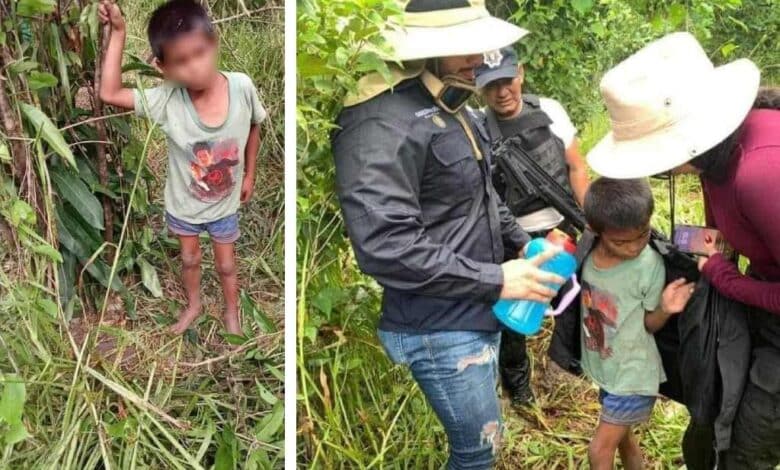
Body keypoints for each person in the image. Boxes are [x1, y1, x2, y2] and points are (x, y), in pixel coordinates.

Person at [331, 1, 565, 467]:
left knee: (484, 444)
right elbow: (385, 246)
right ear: (425, 51)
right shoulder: (380, 121)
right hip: (438, 326)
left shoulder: (449, 103)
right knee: (477, 453)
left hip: (476, 309)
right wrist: (496, 279)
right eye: (462, 48)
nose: (477, 59)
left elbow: (480, 194)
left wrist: (522, 240)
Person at [588, 32, 779, 468]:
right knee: (714, 421)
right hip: (763, 297)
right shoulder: (716, 156)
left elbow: (726, 262)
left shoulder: (762, 172)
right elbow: (720, 228)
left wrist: (723, 276)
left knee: (747, 449)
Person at [98, 0, 267, 336]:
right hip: (184, 207)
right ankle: (194, 305)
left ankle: (231, 312)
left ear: (214, 43)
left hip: (224, 206)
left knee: (226, 263)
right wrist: (118, 31)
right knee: (189, 259)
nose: (195, 67)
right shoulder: (166, 100)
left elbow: (253, 126)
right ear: (162, 67)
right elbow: (109, 92)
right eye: (181, 62)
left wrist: (250, 173)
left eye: (200, 53)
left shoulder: (241, 86)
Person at [475, 46, 590, 407]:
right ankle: (518, 386)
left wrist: (589, 222)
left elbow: (575, 167)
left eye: (508, 80)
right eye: (491, 84)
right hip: (511, 238)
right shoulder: (477, 125)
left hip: (560, 226)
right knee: (515, 316)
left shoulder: (550, 110)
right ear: (478, 86)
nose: (502, 91)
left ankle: (568, 366)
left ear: (521, 73)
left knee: (574, 298)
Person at [580, 177, 693, 470]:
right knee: (623, 439)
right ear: (595, 230)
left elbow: (649, 324)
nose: (633, 247)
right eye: (621, 241)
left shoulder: (648, 265)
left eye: (642, 235)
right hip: (608, 369)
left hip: (633, 376)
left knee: (600, 450)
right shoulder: (587, 254)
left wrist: (666, 308)